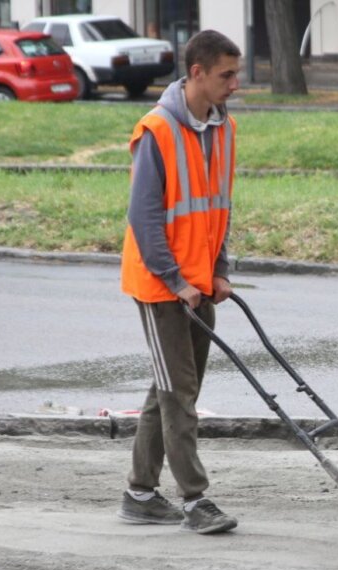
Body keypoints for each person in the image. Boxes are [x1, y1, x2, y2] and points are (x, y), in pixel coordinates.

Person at [117, 30, 241, 535]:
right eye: (225, 75)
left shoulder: (222, 127)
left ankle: (139, 493)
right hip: (161, 287)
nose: (235, 84)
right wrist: (174, 279)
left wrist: (220, 271)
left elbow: (218, 209)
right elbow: (145, 217)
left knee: (168, 390)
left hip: (199, 284)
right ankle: (196, 500)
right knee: (179, 395)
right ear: (196, 74)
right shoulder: (158, 131)